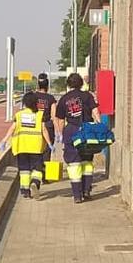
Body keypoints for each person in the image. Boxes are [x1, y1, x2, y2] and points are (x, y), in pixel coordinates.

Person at [55, 73, 100, 203]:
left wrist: (61, 134)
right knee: (87, 161)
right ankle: (86, 190)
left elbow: (61, 120)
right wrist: (99, 126)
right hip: (87, 130)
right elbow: (95, 112)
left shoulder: (64, 99)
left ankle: (77, 195)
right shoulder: (87, 96)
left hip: (71, 131)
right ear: (81, 83)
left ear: (68, 85)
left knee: (74, 163)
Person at [0, 92, 52, 199]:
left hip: (22, 146)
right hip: (36, 147)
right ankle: (35, 182)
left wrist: (4, 141)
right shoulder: (39, 115)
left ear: (24, 103)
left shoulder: (19, 115)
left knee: (24, 170)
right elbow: (44, 130)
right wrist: (50, 144)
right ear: (35, 103)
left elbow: (12, 128)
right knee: (37, 168)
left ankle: (25, 191)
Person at [33, 73, 57, 180]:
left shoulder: (32, 97)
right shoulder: (51, 98)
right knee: (47, 150)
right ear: (47, 86)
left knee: (36, 149)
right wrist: (58, 131)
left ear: (38, 85)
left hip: (34, 124)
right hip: (47, 125)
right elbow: (53, 115)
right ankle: (44, 176)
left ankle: (35, 172)